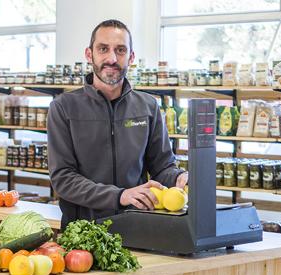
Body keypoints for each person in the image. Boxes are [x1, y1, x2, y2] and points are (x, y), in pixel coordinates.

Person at [47, 19, 188, 229]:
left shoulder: (148, 107)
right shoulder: (63, 108)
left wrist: (179, 177)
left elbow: (161, 166)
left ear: (130, 57)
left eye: (120, 50)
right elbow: (63, 178)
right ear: (89, 54)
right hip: (83, 232)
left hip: (138, 225)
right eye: (103, 49)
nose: (111, 58)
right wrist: (119, 196)